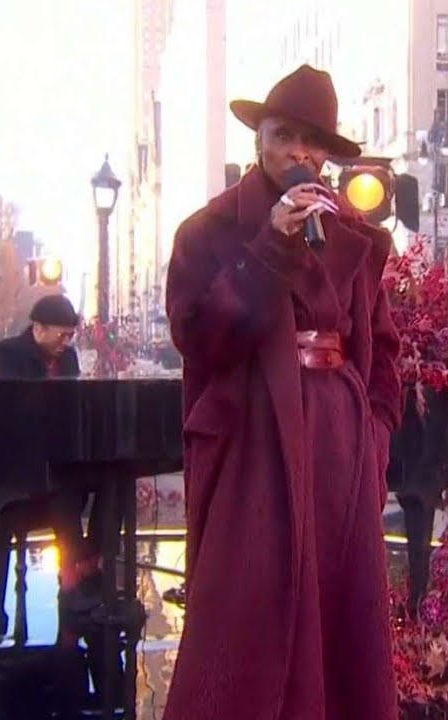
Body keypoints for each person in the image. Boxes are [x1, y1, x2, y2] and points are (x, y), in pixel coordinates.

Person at [162, 64, 401, 720]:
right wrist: (271, 245)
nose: (300, 152)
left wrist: (373, 438)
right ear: (259, 138)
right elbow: (200, 339)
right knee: (245, 625)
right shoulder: (208, 231)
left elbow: (383, 351)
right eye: (284, 134)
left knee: (340, 629)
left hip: (339, 452)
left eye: (314, 142)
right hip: (255, 448)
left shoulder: (356, 236)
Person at [0, 294, 101, 612]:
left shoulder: (69, 358)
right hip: (17, 462)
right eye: (61, 335)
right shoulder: (7, 353)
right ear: (38, 328)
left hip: (57, 452)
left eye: (71, 335)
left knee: (112, 483)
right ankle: (72, 580)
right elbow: (7, 410)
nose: (66, 342)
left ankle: (89, 564)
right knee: (62, 489)